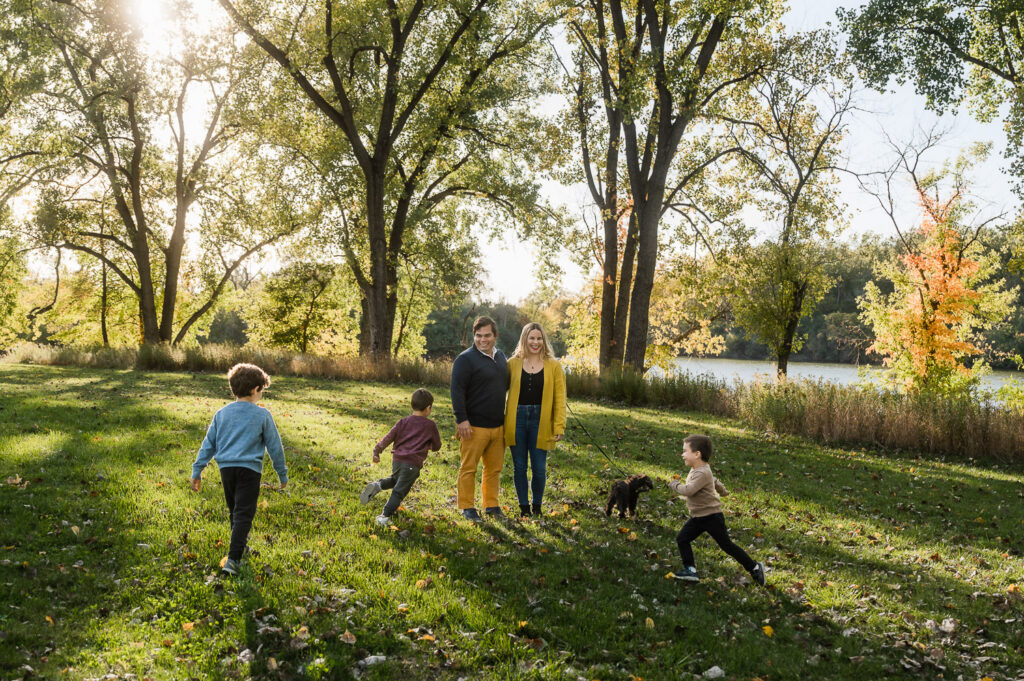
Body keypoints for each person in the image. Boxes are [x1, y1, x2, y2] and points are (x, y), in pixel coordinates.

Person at [190, 363, 288, 576]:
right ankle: (233, 560)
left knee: (235, 511)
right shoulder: (262, 415)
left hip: (226, 469)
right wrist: (282, 473)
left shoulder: (221, 414)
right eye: (262, 389)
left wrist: (197, 470)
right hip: (249, 471)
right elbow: (275, 447)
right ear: (255, 389)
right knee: (244, 513)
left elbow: (209, 444)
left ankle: (240, 547)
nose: (262, 394)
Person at [667, 434, 765, 585]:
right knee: (682, 539)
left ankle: (754, 567)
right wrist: (722, 491)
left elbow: (689, 490)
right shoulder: (699, 469)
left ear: (697, 454)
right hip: (699, 517)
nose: (682, 454)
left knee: (726, 545)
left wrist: (674, 484)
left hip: (712, 517)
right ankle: (690, 570)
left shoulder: (702, 472)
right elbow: (714, 481)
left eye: (685, 451)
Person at [450, 316, 509, 521]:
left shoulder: (501, 357)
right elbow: (457, 391)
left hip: (498, 426)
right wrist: (461, 420)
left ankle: (491, 506)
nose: (482, 340)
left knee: (494, 469)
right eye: (478, 335)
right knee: (469, 468)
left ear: (495, 336)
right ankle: (467, 507)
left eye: (487, 335)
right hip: (473, 426)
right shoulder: (465, 359)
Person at [504, 322, 566, 517]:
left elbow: (560, 399)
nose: (535, 342)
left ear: (543, 341)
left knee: (539, 467)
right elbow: (497, 391)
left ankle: (537, 506)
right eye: (532, 338)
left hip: (542, 419)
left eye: (539, 338)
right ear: (524, 339)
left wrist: (559, 426)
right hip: (517, 418)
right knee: (519, 466)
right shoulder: (512, 363)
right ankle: (524, 507)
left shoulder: (554, 366)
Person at [360, 388, 442, 526]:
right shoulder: (430, 425)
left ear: (412, 405)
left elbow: (388, 437)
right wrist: (431, 446)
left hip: (397, 461)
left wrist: (377, 451)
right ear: (428, 408)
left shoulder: (403, 422)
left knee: (396, 480)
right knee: (398, 492)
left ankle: (378, 485)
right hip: (412, 465)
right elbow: (437, 446)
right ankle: (384, 517)